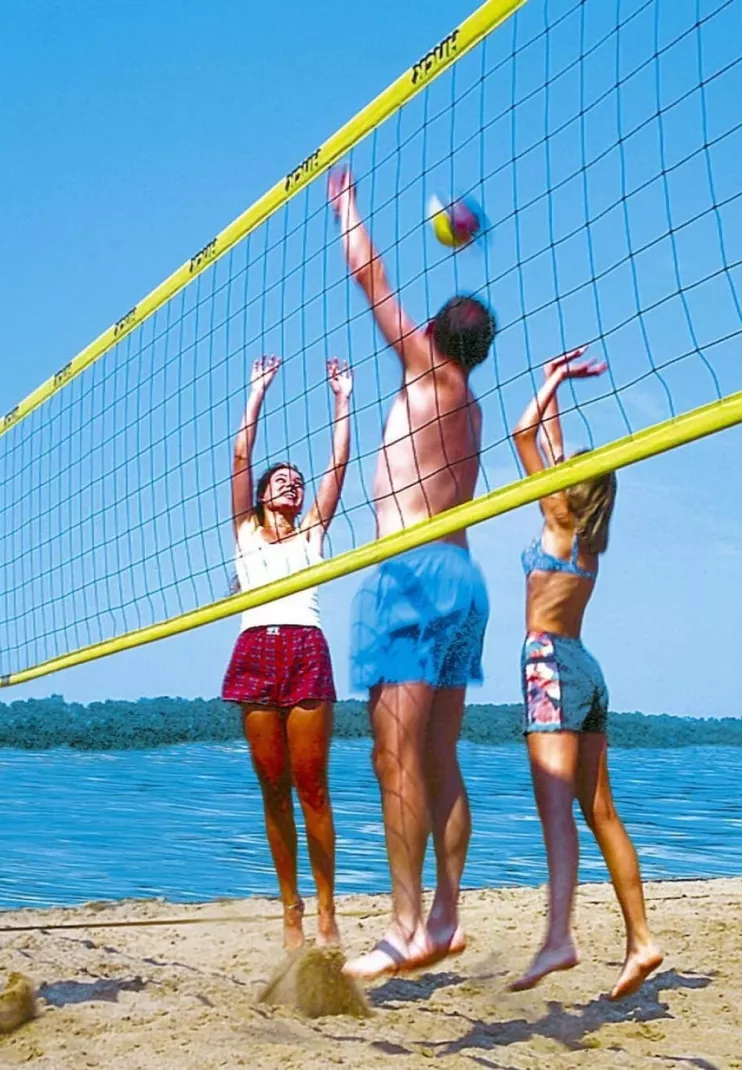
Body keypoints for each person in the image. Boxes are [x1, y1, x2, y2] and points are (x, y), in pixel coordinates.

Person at [327, 165, 493, 981]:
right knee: (438, 758)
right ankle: (448, 916)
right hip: (463, 581)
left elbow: (370, 274)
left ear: (433, 335)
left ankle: (404, 928)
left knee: (393, 761)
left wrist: (347, 204)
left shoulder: (428, 372)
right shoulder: (473, 402)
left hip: (413, 579)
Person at [506, 349, 664, 1000]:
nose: (558, 463)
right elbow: (550, 439)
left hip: (548, 663)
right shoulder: (588, 533)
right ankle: (642, 940)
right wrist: (563, 400)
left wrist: (552, 381)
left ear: (576, 488)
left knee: (556, 812)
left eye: (568, 468)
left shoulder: (558, 518)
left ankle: (559, 937)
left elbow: (522, 433)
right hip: (586, 667)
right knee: (601, 810)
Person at [222, 352, 352, 950]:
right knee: (272, 789)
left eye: (296, 483)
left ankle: (327, 909)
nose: (292, 484)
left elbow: (338, 466)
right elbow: (242, 457)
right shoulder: (245, 531)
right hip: (255, 650)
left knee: (312, 787)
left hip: (305, 647)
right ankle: (292, 909)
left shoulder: (312, 533)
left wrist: (342, 402)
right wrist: (257, 391)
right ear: (263, 495)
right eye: (283, 480)